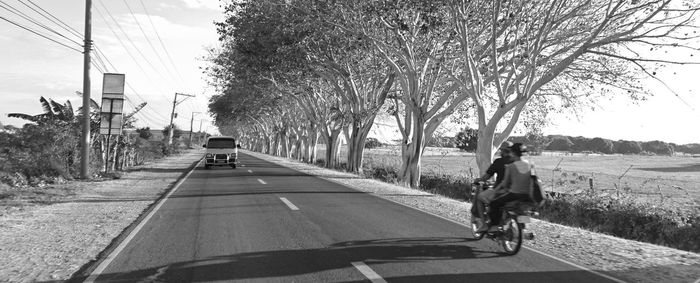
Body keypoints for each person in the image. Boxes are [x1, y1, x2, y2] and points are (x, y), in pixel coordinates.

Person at [479, 143, 533, 232]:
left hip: (514, 194)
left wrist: (495, 191)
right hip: (527, 196)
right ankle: (524, 228)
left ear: (513, 153)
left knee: (494, 204)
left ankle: (495, 226)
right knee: (524, 211)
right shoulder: (530, 165)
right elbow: (533, 179)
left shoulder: (511, 166)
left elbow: (504, 183)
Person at [471, 141, 514, 225]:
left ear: (503, 151)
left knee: (480, 197)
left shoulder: (499, 162)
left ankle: (484, 224)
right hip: (515, 190)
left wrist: (478, 180)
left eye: (501, 150)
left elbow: (486, 177)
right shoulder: (516, 162)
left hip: (501, 190)